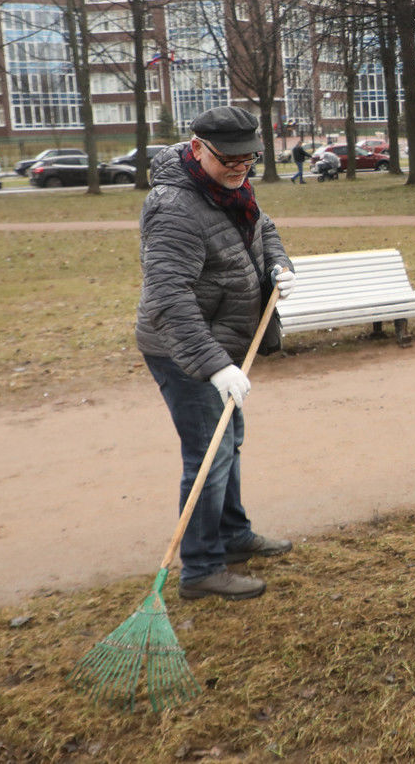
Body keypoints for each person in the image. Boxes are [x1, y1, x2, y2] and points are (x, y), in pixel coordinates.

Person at [136, 106, 298, 601]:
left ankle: (232, 536)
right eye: (229, 158)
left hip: (223, 340)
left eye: (248, 158)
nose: (240, 167)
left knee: (228, 442)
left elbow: (262, 229)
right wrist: (215, 365)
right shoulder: (173, 208)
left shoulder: (232, 188)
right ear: (197, 146)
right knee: (208, 451)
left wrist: (278, 267)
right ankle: (202, 568)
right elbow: (170, 298)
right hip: (183, 348)